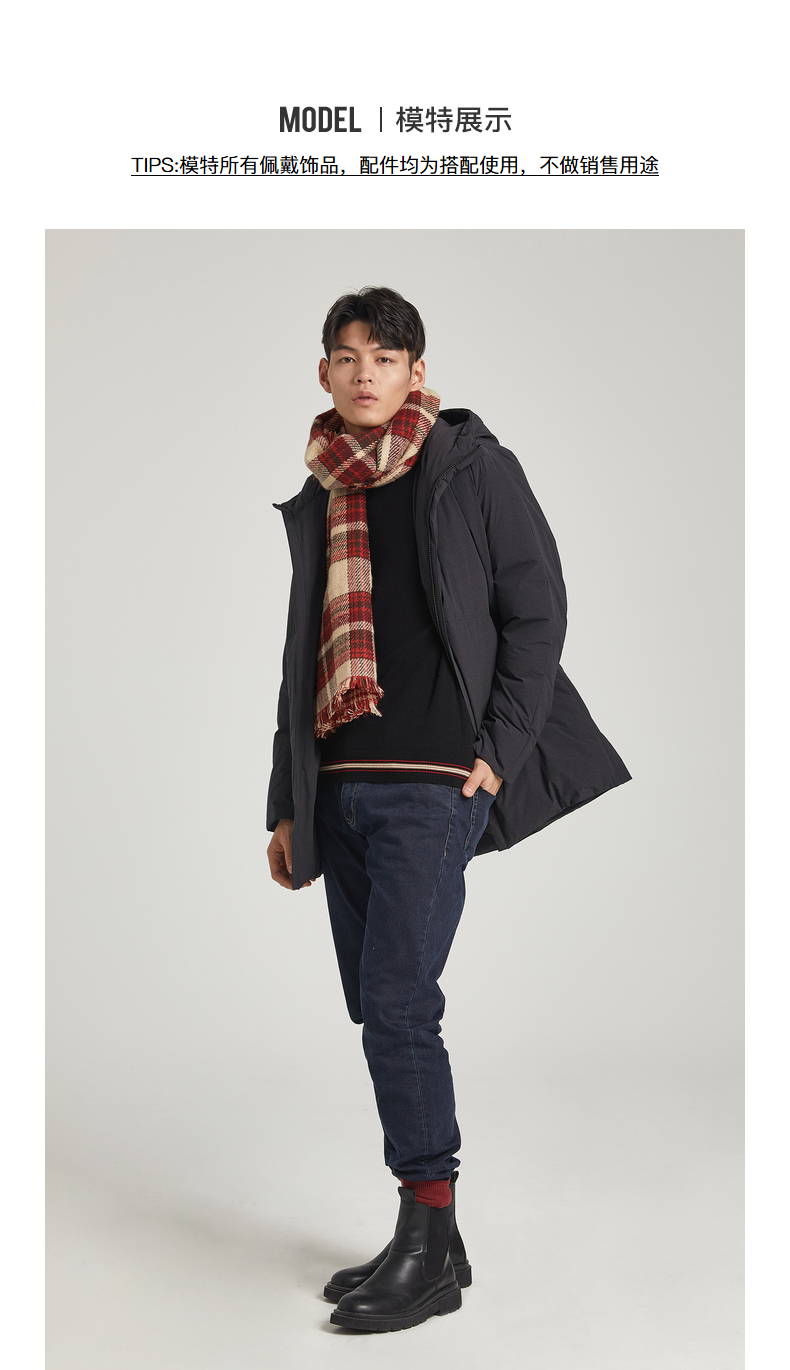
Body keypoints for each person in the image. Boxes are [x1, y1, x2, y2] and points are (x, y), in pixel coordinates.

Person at [266, 286, 630, 1334]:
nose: (365, 372)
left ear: (417, 372)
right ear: (325, 373)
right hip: (340, 784)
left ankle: (425, 1237)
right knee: (374, 1002)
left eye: (385, 356)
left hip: (435, 784)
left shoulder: (471, 468)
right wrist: (286, 800)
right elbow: (300, 659)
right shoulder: (323, 489)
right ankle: (437, 1241)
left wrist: (497, 757)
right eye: (347, 356)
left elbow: (537, 611)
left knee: (398, 1002)